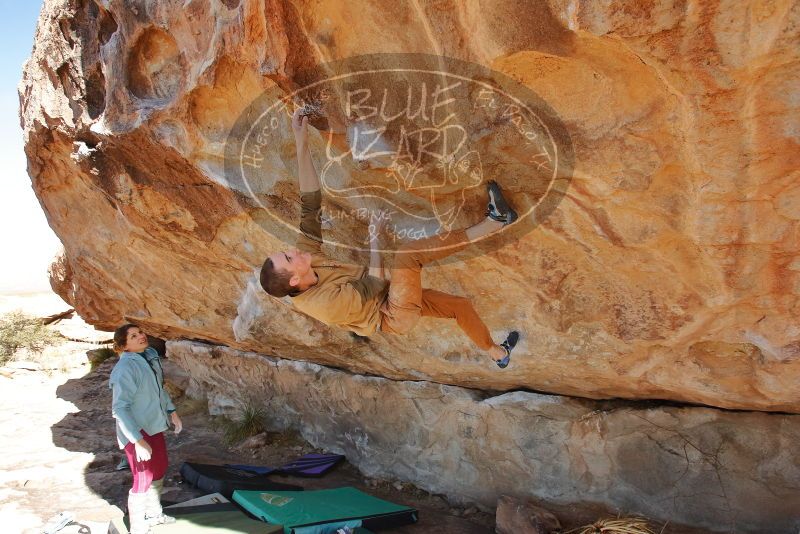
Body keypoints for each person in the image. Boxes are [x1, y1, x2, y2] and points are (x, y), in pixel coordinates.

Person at [260, 107, 520, 368]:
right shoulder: (324, 305)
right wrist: (375, 237)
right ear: (294, 278)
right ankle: (495, 222)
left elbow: (311, 202)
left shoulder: (306, 258)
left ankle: (497, 353)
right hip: (392, 313)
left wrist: (301, 140)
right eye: (287, 257)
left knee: (458, 306)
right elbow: (373, 284)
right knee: (407, 256)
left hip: (388, 293)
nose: (291, 251)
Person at [109, 324, 183, 534]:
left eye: (140, 332)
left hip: (154, 425)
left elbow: (159, 388)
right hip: (136, 430)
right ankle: (138, 525)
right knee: (143, 476)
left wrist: (172, 411)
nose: (141, 336)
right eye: (133, 336)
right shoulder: (125, 369)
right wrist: (137, 441)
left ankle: (154, 513)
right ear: (125, 346)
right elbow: (120, 409)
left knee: (159, 468)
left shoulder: (148, 356)